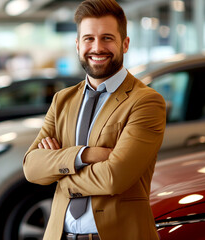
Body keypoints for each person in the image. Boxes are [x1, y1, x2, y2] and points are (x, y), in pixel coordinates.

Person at [23, 0, 166, 239]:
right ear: (78, 45)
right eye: (89, 38)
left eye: (107, 38)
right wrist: (84, 155)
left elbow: (114, 178)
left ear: (125, 43)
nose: (97, 47)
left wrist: (60, 177)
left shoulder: (145, 101)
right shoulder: (62, 100)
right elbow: (31, 167)